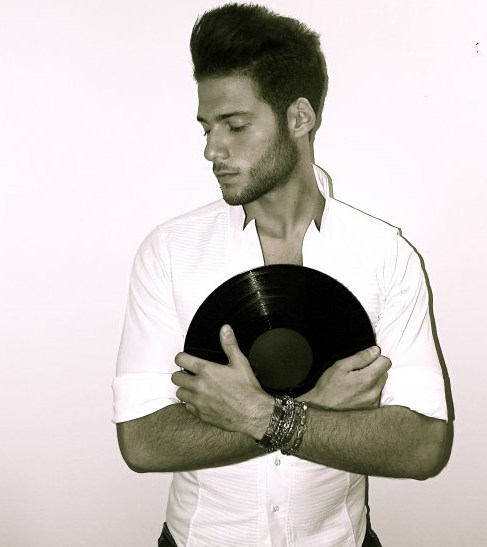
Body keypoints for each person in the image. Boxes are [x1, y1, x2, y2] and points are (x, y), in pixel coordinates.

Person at [113, 3, 449, 546]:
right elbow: (144, 442)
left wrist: (258, 414)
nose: (211, 149)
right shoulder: (169, 251)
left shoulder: (386, 255)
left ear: (299, 118)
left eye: (235, 125)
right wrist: (316, 406)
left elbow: (423, 446)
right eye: (207, 128)